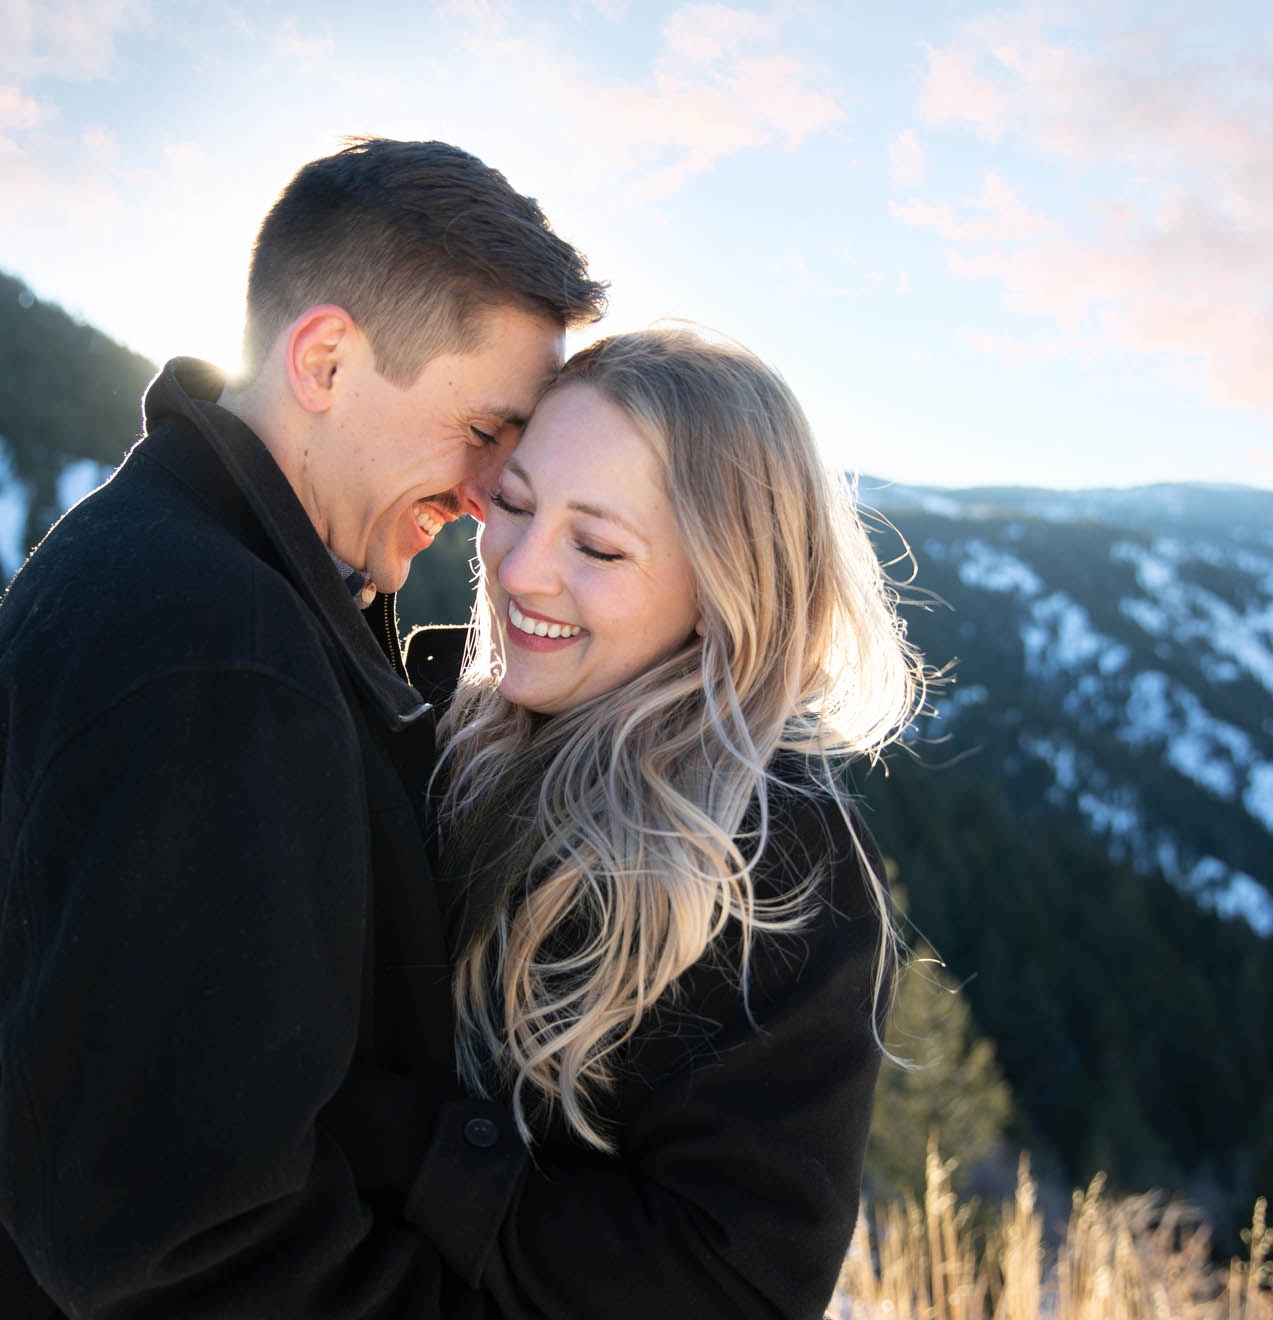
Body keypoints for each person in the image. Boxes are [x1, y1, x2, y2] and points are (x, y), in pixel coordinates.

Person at [0, 138, 606, 1318]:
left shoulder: (181, 567)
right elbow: (174, 1237)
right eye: (487, 429)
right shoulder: (210, 643)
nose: (496, 490)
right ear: (326, 359)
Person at [393, 326, 927, 1318]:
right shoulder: (416, 728)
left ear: (722, 585)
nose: (519, 572)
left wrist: (405, 1148)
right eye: (511, 504)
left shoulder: (769, 857)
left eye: (597, 545)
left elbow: (728, 1278)